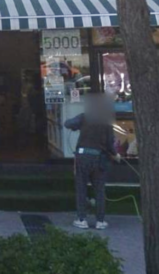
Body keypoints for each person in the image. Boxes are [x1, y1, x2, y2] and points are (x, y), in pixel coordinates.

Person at [65, 92, 120, 230]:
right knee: (100, 190)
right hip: (100, 159)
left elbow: (68, 123)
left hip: (83, 157)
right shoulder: (107, 122)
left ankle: (81, 219)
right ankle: (100, 221)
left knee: (81, 188)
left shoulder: (84, 117)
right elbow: (109, 143)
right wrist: (115, 154)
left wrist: (75, 126)